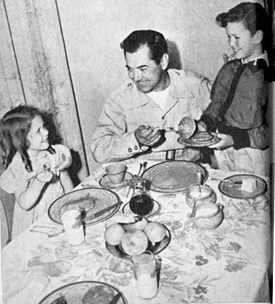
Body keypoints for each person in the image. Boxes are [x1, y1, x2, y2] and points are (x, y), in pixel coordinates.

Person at [91, 30, 212, 163]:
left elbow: (229, 121)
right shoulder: (120, 99)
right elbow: (99, 149)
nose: (136, 77)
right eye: (130, 69)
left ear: (163, 61)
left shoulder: (195, 85)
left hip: (192, 170)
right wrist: (135, 140)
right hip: (143, 175)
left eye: (143, 69)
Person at [197, 2, 272, 176]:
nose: (231, 43)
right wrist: (205, 122)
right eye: (228, 37)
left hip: (253, 154)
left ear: (257, 37)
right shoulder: (229, 68)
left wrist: (234, 139)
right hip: (223, 148)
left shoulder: (268, 75)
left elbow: (270, 132)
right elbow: (217, 103)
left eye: (236, 38)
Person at [0, 105, 73, 238]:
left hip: (57, 212)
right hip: (34, 226)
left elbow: (66, 179)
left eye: (44, 127)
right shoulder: (18, 167)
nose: (46, 132)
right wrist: (39, 182)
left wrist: (72, 202)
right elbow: (24, 203)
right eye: (38, 131)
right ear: (21, 139)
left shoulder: (52, 153)